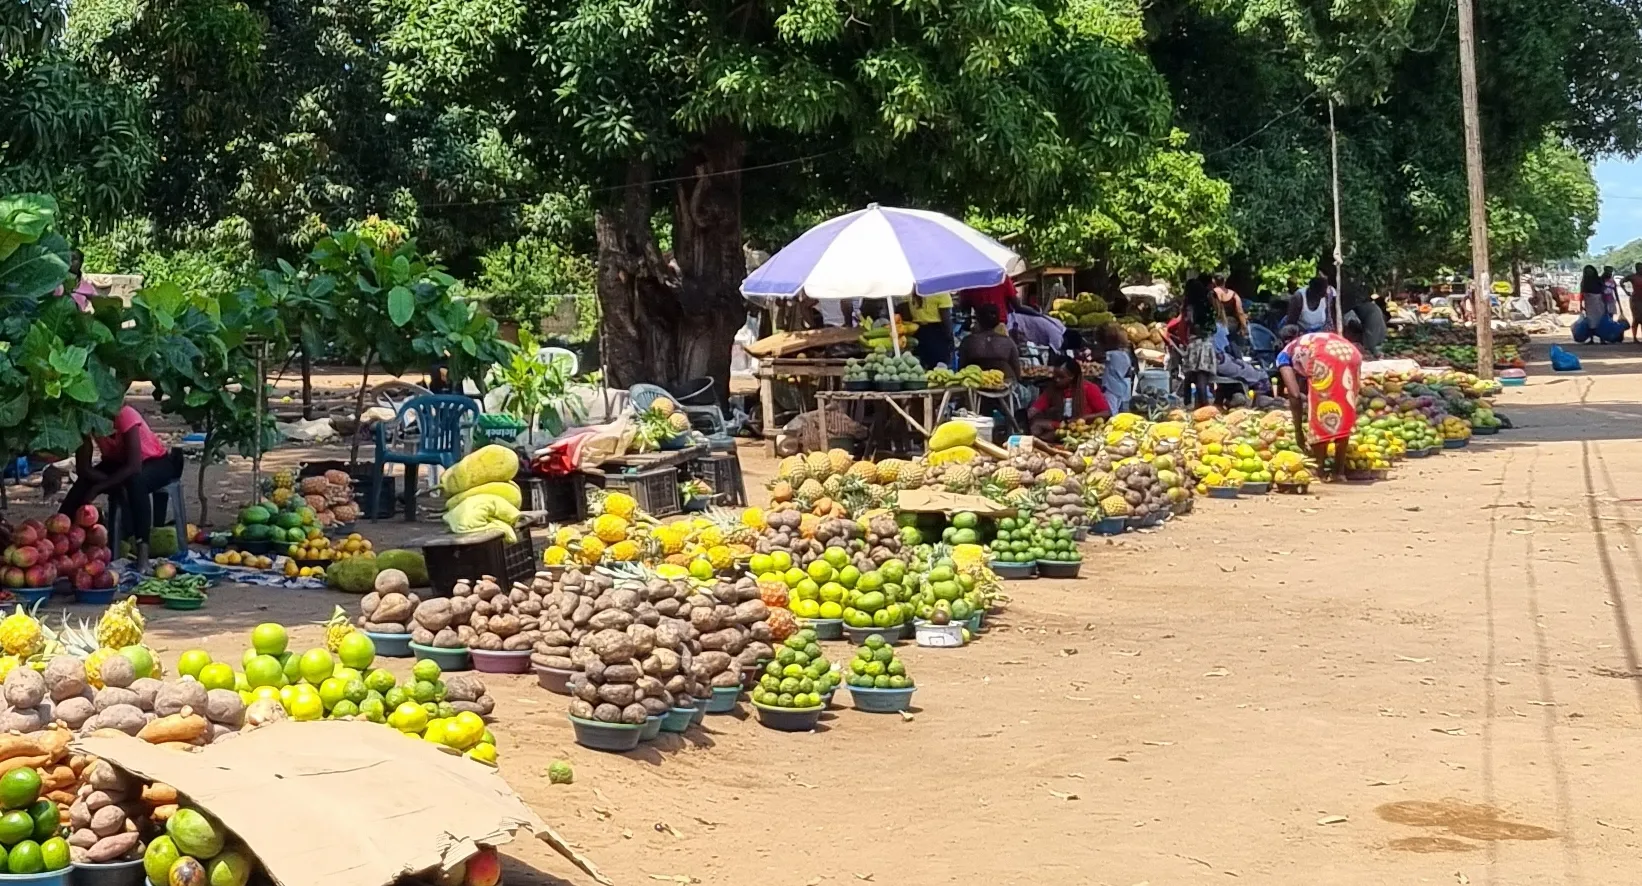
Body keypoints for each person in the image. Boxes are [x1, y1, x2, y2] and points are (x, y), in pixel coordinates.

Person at [59, 404, 179, 570]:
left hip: (155, 461)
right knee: (84, 483)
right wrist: (110, 484)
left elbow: (133, 467)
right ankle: (58, 537)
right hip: (118, 463)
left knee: (136, 482)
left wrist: (100, 487)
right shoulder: (85, 419)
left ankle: (142, 551)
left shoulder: (124, 415)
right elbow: (84, 469)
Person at [1276, 321, 1364, 483]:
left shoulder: (1284, 354)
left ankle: (1320, 469)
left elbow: (1294, 395)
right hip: (1350, 352)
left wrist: (1298, 432)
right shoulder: (1308, 340)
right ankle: (1339, 471)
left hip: (1325, 357)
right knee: (1343, 408)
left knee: (1322, 411)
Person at [1028, 354, 1110, 441]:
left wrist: (1084, 418)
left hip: (1082, 429)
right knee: (1036, 425)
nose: (1057, 380)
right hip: (1060, 425)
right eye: (1055, 376)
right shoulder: (1052, 389)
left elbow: (1106, 413)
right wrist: (1029, 413)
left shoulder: (1089, 388)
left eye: (1061, 377)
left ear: (1072, 377)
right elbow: (1037, 407)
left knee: (1048, 436)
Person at [1177, 276, 1219, 408]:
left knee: (1193, 376)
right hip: (1207, 343)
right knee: (1202, 378)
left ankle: (1196, 405)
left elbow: (1189, 323)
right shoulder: (1209, 304)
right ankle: (1201, 405)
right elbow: (1214, 327)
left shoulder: (1190, 307)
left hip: (1195, 343)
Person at [957, 304, 1021, 383]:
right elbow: (1017, 372)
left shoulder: (968, 341)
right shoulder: (1008, 342)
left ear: (978, 320)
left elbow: (960, 371)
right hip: (1005, 385)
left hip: (975, 384)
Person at [905, 292, 954, 369]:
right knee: (939, 369)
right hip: (937, 333)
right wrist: (950, 338)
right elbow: (946, 319)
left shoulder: (912, 292)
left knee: (920, 366)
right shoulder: (941, 292)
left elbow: (905, 311)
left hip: (917, 332)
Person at [1097, 323, 1133, 414]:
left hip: (1111, 388)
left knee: (1111, 411)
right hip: (1122, 386)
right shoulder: (1124, 354)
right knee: (1119, 410)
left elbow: (1098, 356)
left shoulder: (1111, 355)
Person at [1579, 265, 1610, 342]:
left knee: (1600, 320)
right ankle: (1591, 339)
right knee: (1591, 321)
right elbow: (1582, 293)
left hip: (1599, 302)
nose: (1589, 272)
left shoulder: (1598, 280)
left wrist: (1605, 303)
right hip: (1589, 303)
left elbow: (1603, 291)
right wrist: (1581, 305)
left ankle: (1602, 339)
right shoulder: (1584, 282)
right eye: (1587, 271)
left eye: (1590, 271)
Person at [1626, 263, 1642, 342]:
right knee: (1636, 318)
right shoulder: (1633, 277)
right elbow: (1622, 281)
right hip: (1636, 300)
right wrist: (1626, 291)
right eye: (1639, 268)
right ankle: (1634, 337)